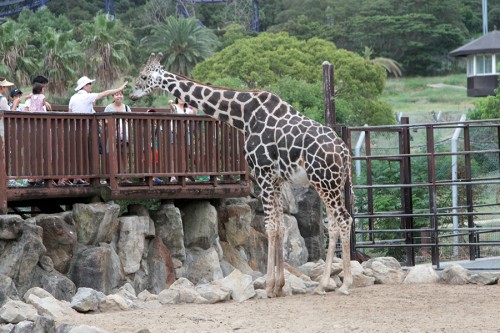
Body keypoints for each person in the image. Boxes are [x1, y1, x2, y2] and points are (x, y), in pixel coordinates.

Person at [104, 90, 132, 184]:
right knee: (113, 156)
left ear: (123, 96)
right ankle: (114, 177)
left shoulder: (127, 108)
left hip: (125, 136)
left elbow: (131, 120)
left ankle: (124, 177)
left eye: (120, 94)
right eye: (116, 94)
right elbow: (104, 121)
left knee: (125, 156)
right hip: (113, 135)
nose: (118, 96)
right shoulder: (109, 108)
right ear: (113, 97)